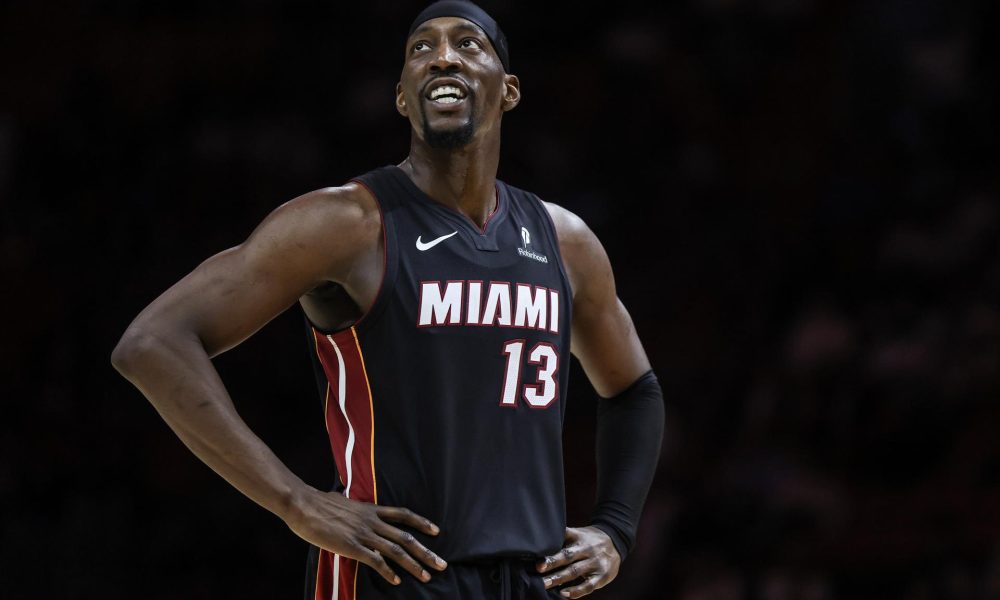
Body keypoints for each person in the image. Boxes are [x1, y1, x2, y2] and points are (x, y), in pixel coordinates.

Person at [111, 1, 664, 598]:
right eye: (420, 48)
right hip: (390, 576)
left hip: (527, 580)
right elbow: (152, 343)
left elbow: (634, 391)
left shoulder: (564, 242)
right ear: (403, 96)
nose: (442, 57)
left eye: (468, 44)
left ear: (508, 91)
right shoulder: (346, 223)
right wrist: (295, 501)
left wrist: (615, 530)